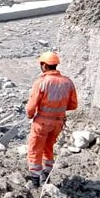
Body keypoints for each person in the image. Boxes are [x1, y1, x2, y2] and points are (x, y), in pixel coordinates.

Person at [25, 51, 78, 187]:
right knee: (48, 148)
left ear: (44, 65)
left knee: (35, 149)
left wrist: (30, 116)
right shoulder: (68, 82)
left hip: (42, 122)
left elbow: (31, 107)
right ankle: (46, 176)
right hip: (58, 123)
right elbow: (73, 105)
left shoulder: (41, 82)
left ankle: (35, 180)